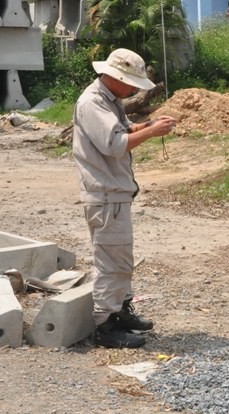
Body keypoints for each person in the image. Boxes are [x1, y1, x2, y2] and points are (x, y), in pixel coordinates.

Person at [72, 48, 177, 348]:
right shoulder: (92, 103)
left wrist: (147, 126)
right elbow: (116, 144)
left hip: (113, 194)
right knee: (110, 261)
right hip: (105, 195)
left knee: (120, 257)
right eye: (131, 83)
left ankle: (119, 309)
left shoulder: (110, 100)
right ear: (115, 77)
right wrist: (152, 132)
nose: (133, 90)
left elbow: (124, 129)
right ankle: (105, 324)